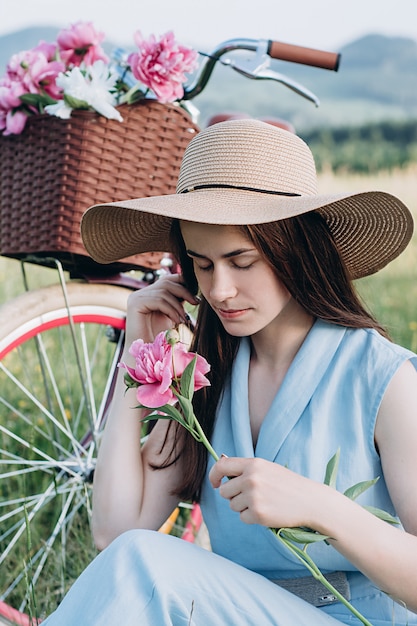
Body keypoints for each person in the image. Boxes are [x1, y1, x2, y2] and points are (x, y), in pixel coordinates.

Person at [43, 119, 417, 625]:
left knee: (148, 567)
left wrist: (322, 508)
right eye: (202, 264)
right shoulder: (205, 376)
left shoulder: (382, 378)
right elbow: (118, 532)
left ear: (298, 253)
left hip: (355, 617)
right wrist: (141, 354)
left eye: (242, 261)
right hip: (228, 612)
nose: (218, 290)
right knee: (138, 559)